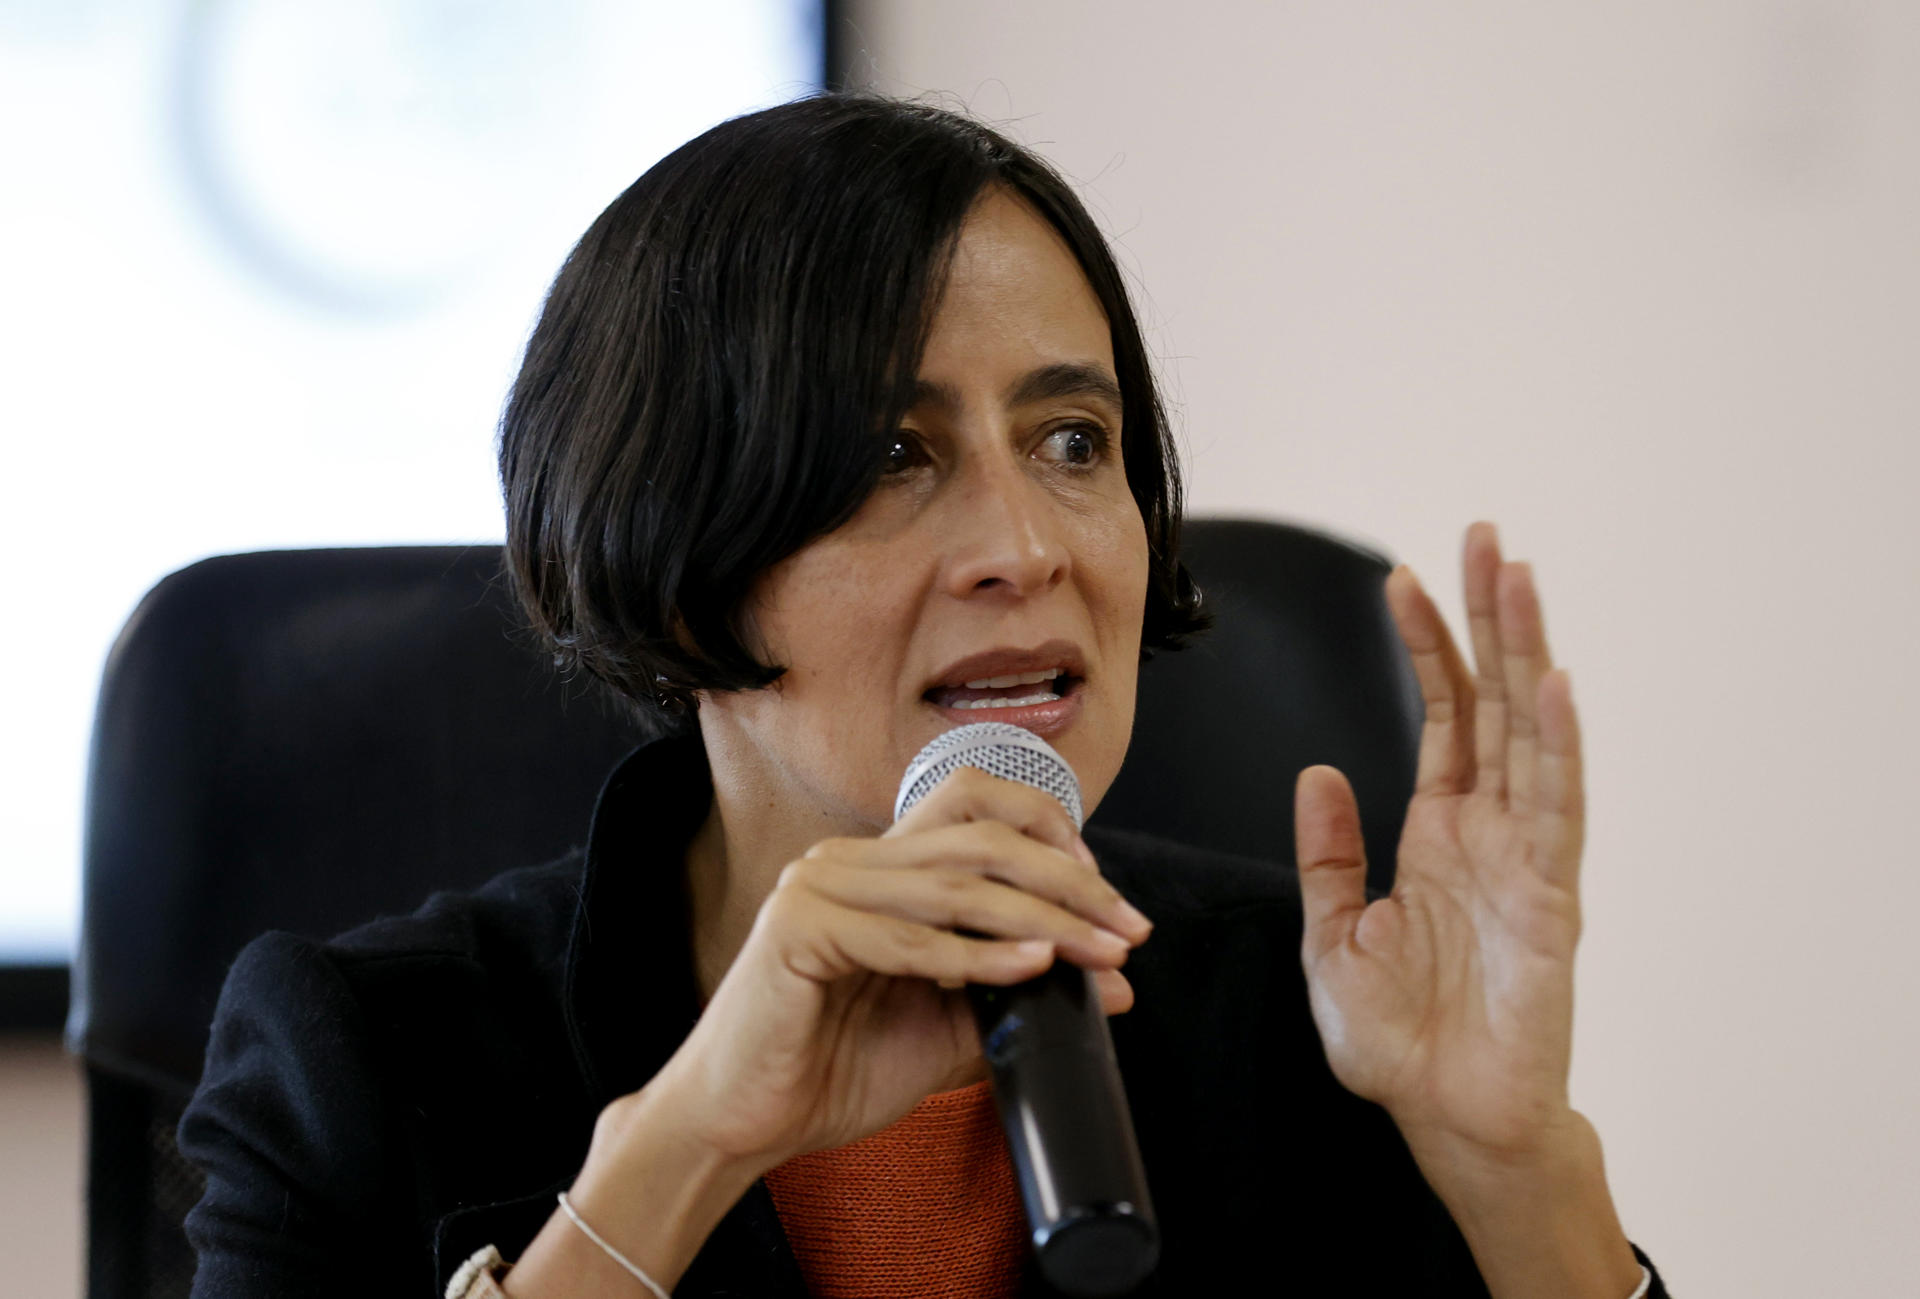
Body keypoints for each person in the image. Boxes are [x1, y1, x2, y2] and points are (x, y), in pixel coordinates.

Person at [177, 93, 1669, 1298]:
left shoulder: (1310, 1015)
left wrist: (1517, 1175)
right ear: (676, 560)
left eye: (1074, 441)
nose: (1026, 547)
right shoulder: (363, 1054)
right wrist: (681, 1154)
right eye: (893, 455)